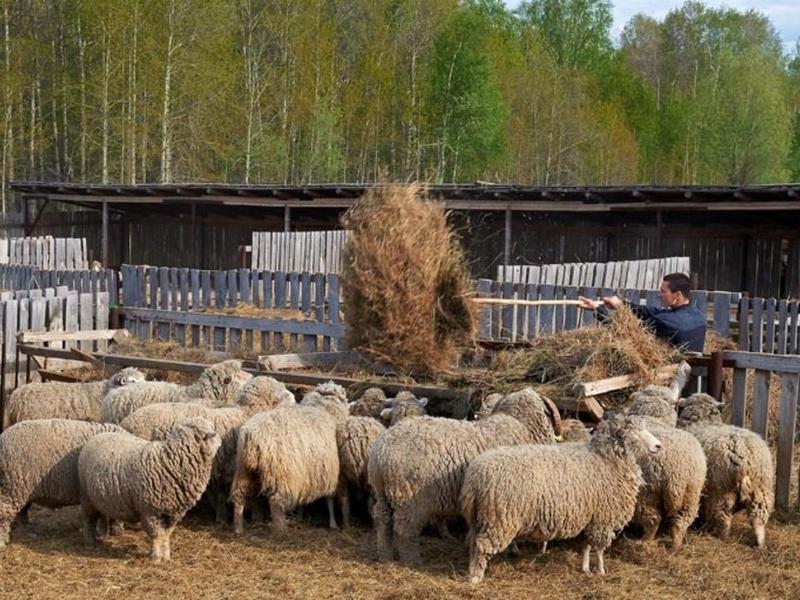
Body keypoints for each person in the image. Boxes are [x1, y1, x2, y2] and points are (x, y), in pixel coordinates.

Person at [577, 272, 706, 353]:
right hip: (695, 374)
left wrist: (597, 310)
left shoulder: (666, 321)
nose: (659, 295)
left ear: (677, 295)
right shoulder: (698, 316)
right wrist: (621, 305)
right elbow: (650, 311)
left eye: (663, 291)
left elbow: (625, 333)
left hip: (670, 377)